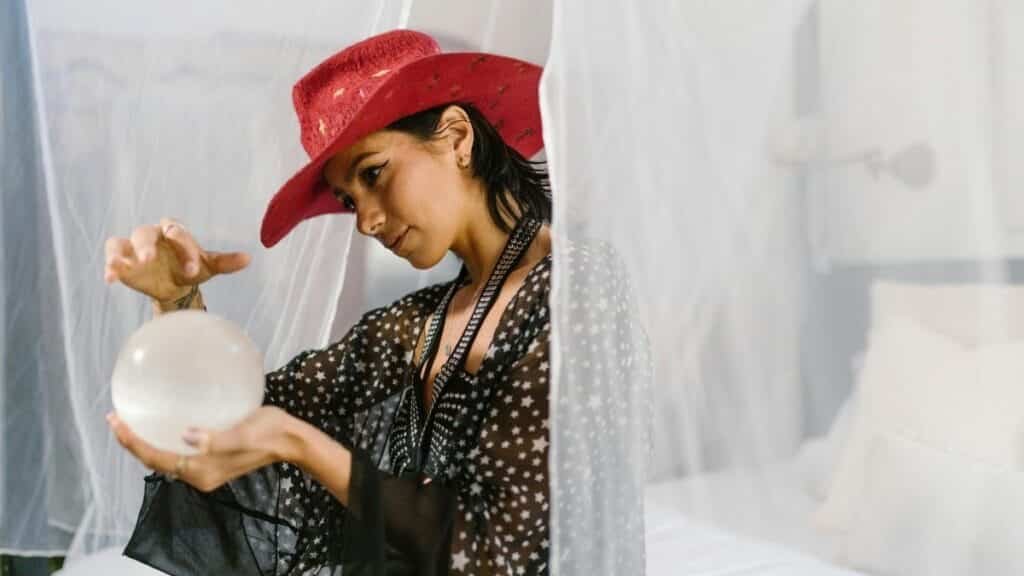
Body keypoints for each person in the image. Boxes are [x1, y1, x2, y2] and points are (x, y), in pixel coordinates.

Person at [104, 29, 555, 575]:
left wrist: (300, 444)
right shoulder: (416, 324)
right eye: (349, 199)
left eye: (374, 173)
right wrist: (179, 301)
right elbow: (249, 416)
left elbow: (500, 552)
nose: (365, 221)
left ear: (458, 137)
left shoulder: (578, 291)